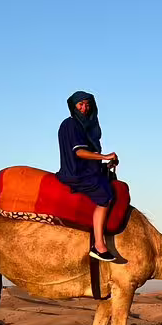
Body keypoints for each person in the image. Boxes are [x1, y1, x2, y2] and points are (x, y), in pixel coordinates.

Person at [56, 91, 118, 261]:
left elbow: (89, 155)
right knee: (105, 196)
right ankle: (98, 245)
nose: (84, 108)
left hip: (86, 170)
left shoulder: (85, 126)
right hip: (76, 173)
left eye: (87, 104)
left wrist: (106, 163)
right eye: (80, 104)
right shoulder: (72, 125)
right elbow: (80, 152)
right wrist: (104, 157)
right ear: (73, 106)